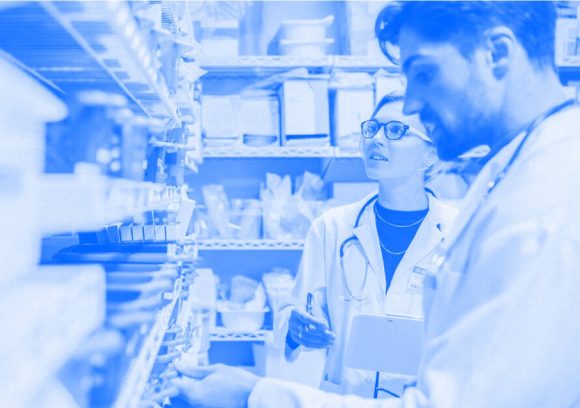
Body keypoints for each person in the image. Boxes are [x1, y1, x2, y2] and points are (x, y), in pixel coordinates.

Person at [173, 2, 580, 406]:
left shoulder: (549, 196)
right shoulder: (515, 169)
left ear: (497, 53)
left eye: (424, 72)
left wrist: (255, 395)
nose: (413, 102)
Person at [276, 93, 457, 398]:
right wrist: (295, 328)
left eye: (396, 131)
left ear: (430, 155)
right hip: (345, 397)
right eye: (372, 129)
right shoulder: (331, 228)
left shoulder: (458, 232)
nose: (377, 140)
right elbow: (296, 311)